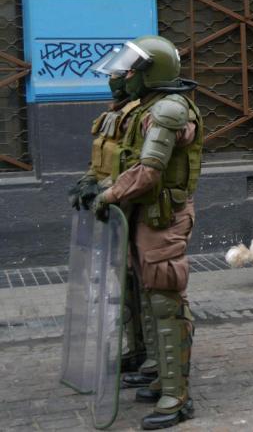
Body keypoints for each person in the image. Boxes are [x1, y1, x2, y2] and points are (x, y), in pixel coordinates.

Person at [90, 35, 202, 429]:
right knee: (148, 294)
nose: (123, 76)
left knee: (166, 300)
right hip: (144, 214)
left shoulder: (169, 109)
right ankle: (161, 375)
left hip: (163, 217)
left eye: (131, 69)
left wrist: (109, 194)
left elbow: (149, 171)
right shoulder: (147, 107)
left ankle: (177, 397)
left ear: (150, 72)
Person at [69, 58, 152, 381]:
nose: (116, 81)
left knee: (148, 286)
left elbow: (134, 165)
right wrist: (88, 183)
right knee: (127, 284)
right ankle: (137, 350)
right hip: (115, 209)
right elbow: (102, 157)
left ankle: (154, 360)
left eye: (123, 75)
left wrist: (107, 192)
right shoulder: (114, 113)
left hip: (132, 206)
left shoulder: (139, 113)